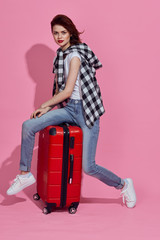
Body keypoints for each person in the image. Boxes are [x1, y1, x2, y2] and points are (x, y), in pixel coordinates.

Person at [7, 14, 136, 208]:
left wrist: (44, 104)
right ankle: (25, 174)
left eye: (63, 32)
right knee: (29, 125)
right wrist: (47, 108)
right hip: (69, 109)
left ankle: (124, 184)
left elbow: (68, 90)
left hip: (85, 112)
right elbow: (61, 91)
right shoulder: (60, 56)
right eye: (55, 33)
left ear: (71, 33)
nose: (59, 36)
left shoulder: (76, 55)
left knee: (88, 167)